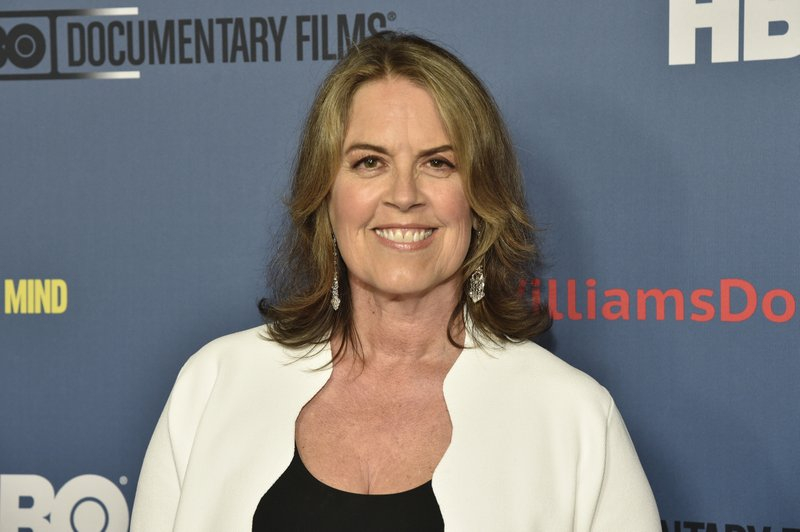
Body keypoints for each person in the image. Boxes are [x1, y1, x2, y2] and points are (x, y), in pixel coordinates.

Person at [130, 32, 660, 531]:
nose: (404, 195)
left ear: (480, 200)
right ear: (326, 196)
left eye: (438, 163)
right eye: (369, 162)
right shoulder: (214, 383)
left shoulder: (572, 416)